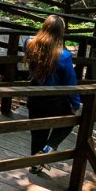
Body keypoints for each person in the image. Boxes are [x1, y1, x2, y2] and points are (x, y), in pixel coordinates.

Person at [24, 14, 81, 174]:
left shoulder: (29, 44)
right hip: (55, 101)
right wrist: (76, 104)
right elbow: (70, 82)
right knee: (69, 121)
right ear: (60, 32)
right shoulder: (63, 55)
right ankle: (47, 150)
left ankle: (35, 164)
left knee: (37, 131)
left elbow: (29, 41)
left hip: (35, 97)